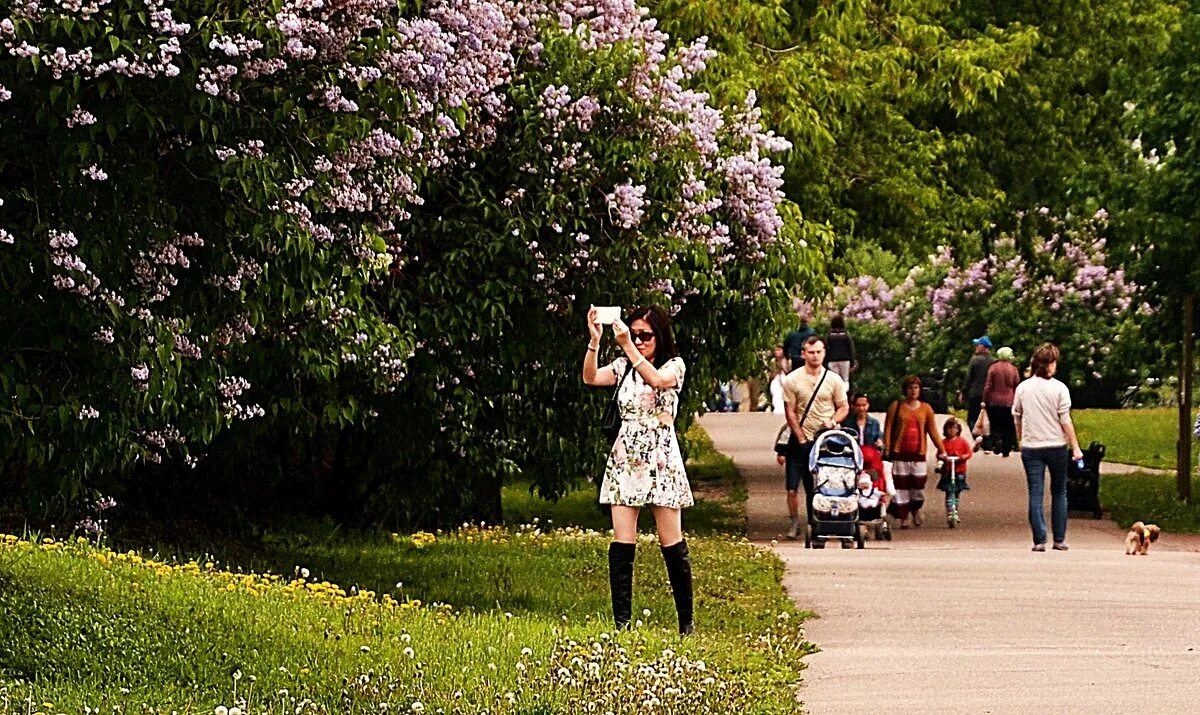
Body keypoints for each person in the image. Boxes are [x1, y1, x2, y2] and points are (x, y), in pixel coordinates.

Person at [583, 305, 694, 633]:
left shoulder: (675, 365)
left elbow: (658, 380)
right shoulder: (622, 366)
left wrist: (629, 347)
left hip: (660, 455)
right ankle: (622, 623)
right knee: (622, 540)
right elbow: (590, 377)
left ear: (660, 336)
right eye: (634, 334)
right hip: (626, 454)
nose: (639, 341)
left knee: (670, 540)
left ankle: (685, 624)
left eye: (645, 335)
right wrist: (595, 341)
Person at [1012, 342, 1083, 552]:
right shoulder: (1060, 388)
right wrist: (1076, 447)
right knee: (1059, 491)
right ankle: (1059, 538)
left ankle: (1039, 539)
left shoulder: (1023, 388)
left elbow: (1017, 416)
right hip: (1056, 446)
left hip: (1031, 446)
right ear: (1049, 364)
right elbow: (1065, 420)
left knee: (1035, 492)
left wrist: (1021, 439)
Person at [782, 336, 849, 538]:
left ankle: (817, 522)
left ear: (824, 353)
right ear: (803, 354)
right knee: (792, 487)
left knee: (818, 486)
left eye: (819, 352)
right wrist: (800, 436)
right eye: (811, 352)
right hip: (799, 439)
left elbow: (843, 407)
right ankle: (794, 523)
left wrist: (833, 422)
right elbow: (790, 410)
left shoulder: (833, 379)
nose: (815, 356)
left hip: (824, 441)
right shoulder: (792, 379)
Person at [883, 375, 946, 528]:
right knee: (901, 486)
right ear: (905, 390)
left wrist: (942, 449)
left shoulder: (926, 409)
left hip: (918, 453)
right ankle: (903, 516)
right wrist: (887, 448)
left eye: (916, 387)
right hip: (900, 453)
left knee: (917, 486)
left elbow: (933, 431)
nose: (913, 391)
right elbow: (888, 428)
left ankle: (915, 508)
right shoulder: (896, 406)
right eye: (910, 388)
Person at [983, 346, 1021, 457]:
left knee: (995, 424)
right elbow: (1016, 385)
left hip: (994, 401)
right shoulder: (1013, 369)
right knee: (1008, 425)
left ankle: (997, 441)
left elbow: (988, 385)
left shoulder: (993, 368)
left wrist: (984, 400)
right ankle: (1006, 448)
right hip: (1009, 401)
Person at [958, 335, 994, 443]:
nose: (976, 347)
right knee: (986, 419)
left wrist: (963, 392)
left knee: (972, 418)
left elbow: (968, 378)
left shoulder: (974, 360)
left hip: (975, 394)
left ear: (983, 347)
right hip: (988, 396)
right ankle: (987, 441)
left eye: (977, 345)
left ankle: (977, 439)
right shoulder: (993, 361)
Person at [937, 418, 974, 520]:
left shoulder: (962, 441)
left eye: (954, 428)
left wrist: (963, 457)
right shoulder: (943, 442)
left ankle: (955, 510)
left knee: (957, 491)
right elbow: (939, 453)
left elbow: (969, 452)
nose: (952, 430)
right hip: (948, 470)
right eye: (950, 428)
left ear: (958, 430)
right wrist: (943, 457)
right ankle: (950, 511)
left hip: (959, 470)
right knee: (949, 491)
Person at [823, 313, 857, 385]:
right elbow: (851, 349)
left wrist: (825, 361)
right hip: (845, 360)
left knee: (834, 381)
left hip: (832, 360)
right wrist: (852, 362)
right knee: (845, 380)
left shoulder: (829, 336)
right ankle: (844, 394)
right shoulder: (846, 335)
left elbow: (826, 349)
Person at [769, 346, 788, 414]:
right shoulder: (773, 361)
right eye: (776, 350)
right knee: (776, 394)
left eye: (779, 349)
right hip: (776, 379)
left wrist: (783, 367)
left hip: (785, 379)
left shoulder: (787, 360)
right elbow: (771, 374)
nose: (778, 352)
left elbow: (788, 371)